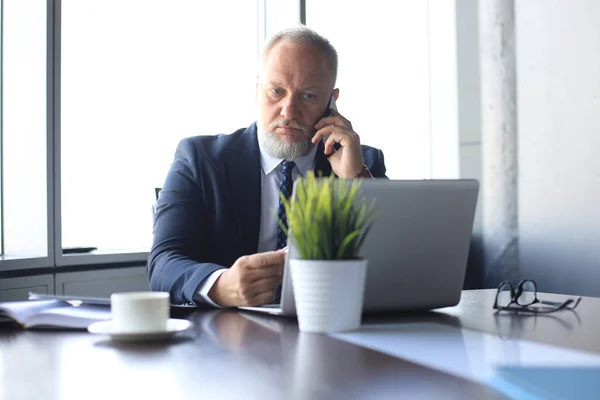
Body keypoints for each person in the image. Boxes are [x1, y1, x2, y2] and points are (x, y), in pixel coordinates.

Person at [148, 26, 387, 307]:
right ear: (257, 89)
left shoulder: (361, 163)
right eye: (276, 91)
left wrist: (355, 180)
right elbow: (164, 263)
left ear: (331, 102)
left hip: (328, 326)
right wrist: (221, 285)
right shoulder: (199, 159)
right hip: (230, 338)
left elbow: (393, 261)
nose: (288, 111)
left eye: (308, 96)